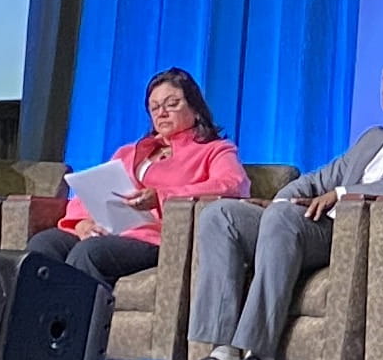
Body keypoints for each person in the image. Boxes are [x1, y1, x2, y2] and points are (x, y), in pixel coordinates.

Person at [175, 52, 383, 360]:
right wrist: (279, 201)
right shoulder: (373, 138)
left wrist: (344, 194)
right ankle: (223, 353)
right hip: (314, 226)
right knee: (222, 214)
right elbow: (319, 179)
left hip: (363, 236)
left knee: (284, 218)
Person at [24, 67, 245, 290]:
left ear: (196, 109)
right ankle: (36, 324)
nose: (162, 113)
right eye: (155, 107)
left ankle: (82, 324)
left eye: (172, 104)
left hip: (153, 238)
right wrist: (82, 224)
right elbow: (89, 192)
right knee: (44, 245)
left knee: (88, 254)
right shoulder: (128, 152)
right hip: (108, 231)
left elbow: (232, 184)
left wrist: (161, 197)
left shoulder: (214, 150)